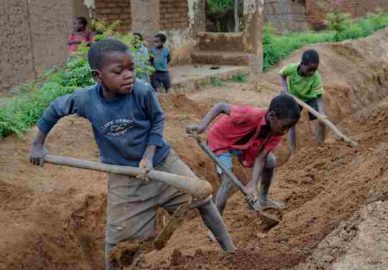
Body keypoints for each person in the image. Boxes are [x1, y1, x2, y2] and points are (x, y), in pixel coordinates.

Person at [29, 39, 235, 270]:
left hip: (163, 163)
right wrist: (38, 144)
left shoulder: (142, 91)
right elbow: (55, 109)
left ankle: (232, 253)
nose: (128, 75)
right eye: (119, 71)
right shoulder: (86, 100)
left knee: (203, 199)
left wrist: (147, 156)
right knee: (116, 243)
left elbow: (157, 120)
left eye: (131, 68)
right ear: (98, 76)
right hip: (125, 180)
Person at [187, 95, 300, 214]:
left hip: (244, 145)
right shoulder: (250, 114)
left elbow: (261, 158)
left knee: (270, 161)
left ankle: (263, 199)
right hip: (221, 141)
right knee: (228, 182)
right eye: (284, 126)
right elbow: (221, 106)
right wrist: (201, 127)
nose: (285, 131)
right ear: (272, 116)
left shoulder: (277, 132)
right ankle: (216, 221)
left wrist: (253, 186)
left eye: (289, 128)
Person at [280, 49, 326, 157]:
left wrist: (322, 114)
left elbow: (319, 97)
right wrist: (285, 88)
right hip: (294, 98)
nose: (311, 72)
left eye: (314, 69)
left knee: (320, 122)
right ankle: (293, 154)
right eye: (309, 69)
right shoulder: (291, 69)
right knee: (291, 124)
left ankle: (321, 147)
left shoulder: (316, 76)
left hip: (311, 98)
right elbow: (282, 74)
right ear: (301, 64)